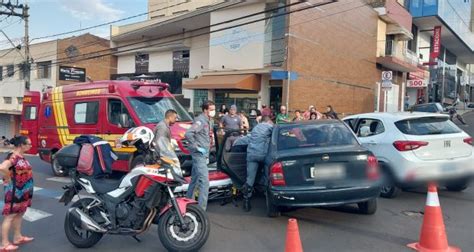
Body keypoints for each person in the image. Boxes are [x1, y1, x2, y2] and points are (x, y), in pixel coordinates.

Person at [0, 136, 34, 251]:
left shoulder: (21, 157)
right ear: (21, 145)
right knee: (10, 216)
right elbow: (2, 167)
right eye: (28, 144)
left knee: (19, 213)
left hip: (23, 191)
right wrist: (8, 177)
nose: (31, 146)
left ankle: (17, 237)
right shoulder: (13, 156)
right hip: (15, 191)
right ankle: (4, 244)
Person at [185, 100, 215, 210]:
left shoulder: (208, 121)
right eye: (211, 109)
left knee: (195, 179)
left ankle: (187, 202)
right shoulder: (201, 120)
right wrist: (196, 147)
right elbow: (188, 134)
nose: (213, 111)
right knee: (205, 182)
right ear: (205, 110)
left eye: (213, 109)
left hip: (203, 154)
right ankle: (201, 210)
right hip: (199, 154)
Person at [242, 116, 273, 212]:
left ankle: (246, 201)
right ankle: (269, 200)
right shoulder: (269, 127)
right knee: (269, 177)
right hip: (264, 155)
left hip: (251, 155)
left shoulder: (255, 128)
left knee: (250, 179)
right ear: (268, 121)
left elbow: (247, 139)